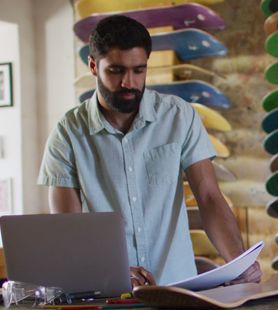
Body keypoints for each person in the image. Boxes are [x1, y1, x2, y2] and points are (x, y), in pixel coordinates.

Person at [37, 15, 261, 287]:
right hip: (107, 295)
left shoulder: (178, 116)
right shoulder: (68, 132)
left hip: (179, 290)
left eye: (138, 70)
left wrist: (238, 261)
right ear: (94, 66)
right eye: (116, 71)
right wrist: (114, 271)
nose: (128, 83)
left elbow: (210, 196)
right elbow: (69, 230)